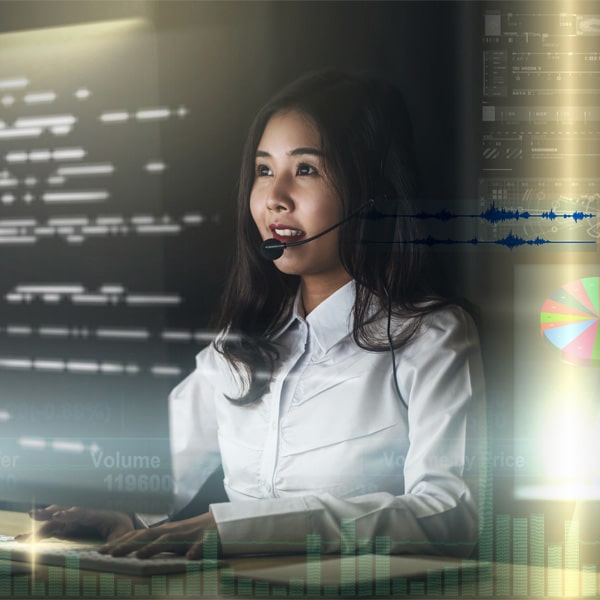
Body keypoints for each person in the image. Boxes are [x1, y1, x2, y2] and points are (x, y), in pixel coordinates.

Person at [24, 70, 485, 560]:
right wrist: (120, 510)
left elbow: (449, 514)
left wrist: (247, 529)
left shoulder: (432, 336)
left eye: (305, 170)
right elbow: (162, 464)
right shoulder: (239, 343)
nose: (274, 198)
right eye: (264, 171)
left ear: (373, 195)